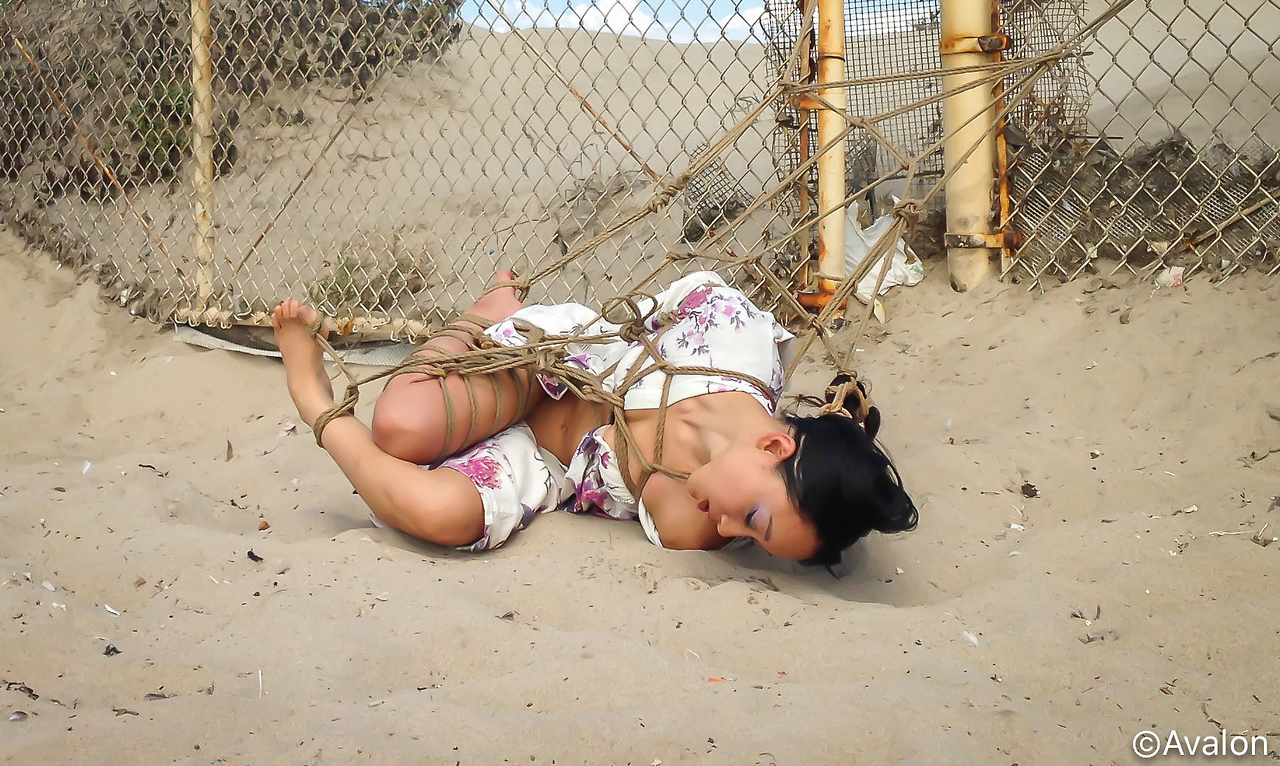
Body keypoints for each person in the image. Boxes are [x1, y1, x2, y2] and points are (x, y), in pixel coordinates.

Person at [273, 270, 917, 565]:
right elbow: (652, 308)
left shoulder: (700, 526)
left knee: (444, 516)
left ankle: (320, 409)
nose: (726, 530)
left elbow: (697, 511)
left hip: (546, 463)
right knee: (401, 428)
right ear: (776, 443)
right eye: (753, 520)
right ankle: (483, 311)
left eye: (754, 542)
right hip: (547, 372)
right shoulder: (734, 340)